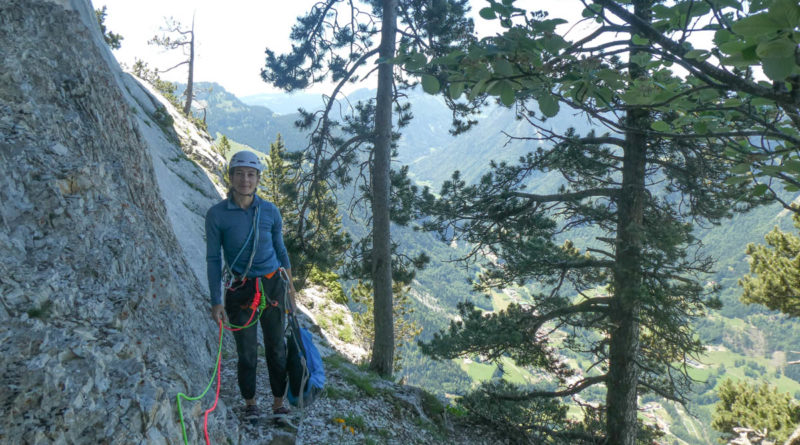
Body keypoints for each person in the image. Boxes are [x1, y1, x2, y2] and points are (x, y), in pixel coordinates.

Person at [205, 150, 298, 421]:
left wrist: (291, 290)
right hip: (239, 289)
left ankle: (279, 402)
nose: (245, 180)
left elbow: (281, 251)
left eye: (250, 174)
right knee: (246, 352)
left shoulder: (269, 211)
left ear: (257, 179)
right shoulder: (217, 215)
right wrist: (216, 301)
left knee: (276, 347)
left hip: (273, 286)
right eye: (239, 173)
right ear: (231, 177)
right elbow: (213, 258)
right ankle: (250, 403)